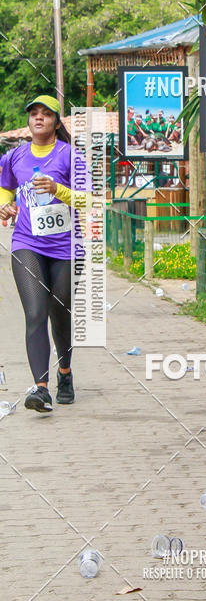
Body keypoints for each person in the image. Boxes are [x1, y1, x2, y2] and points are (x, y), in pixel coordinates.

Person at [0, 95, 77, 412]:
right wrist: (4, 205)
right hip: (26, 243)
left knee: (60, 313)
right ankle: (41, 388)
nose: (39, 118)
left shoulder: (70, 155)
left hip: (64, 248)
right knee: (35, 313)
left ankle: (65, 372)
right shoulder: (14, 156)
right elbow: (6, 187)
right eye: (34, 113)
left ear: (57, 123)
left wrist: (57, 189)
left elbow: (91, 200)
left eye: (46, 114)